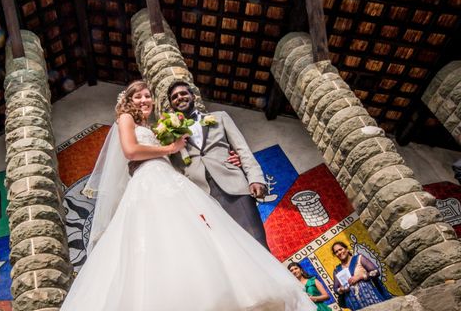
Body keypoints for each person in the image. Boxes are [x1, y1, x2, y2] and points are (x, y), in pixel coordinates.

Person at [60, 81, 315, 310]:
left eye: (147, 96)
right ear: (128, 100)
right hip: (154, 182)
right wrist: (170, 147)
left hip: (192, 181)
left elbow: (219, 151)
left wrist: (244, 169)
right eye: (137, 96)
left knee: (230, 242)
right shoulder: (126, 119)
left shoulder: (166, 126)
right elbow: (131, 151)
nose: (144, 100)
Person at [167, 80, 270, 249]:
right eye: (174, 97)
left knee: (257, 242)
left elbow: (242, 148)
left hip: (234, 187)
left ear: (193, 96)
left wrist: (255, 178)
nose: (180, 97)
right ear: (171, 104)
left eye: (183, 93)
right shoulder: (170, 136)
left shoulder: (220, 117)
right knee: (228, 250)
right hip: (202, 197)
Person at [331, 241, 392, 310]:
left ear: (346, 249)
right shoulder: (337, 271)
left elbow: (376, 272)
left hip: (371, 298)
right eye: (336, 252)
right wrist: (341, 289)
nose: (339, 252)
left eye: (340, 249)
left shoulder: (359, 259)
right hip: (355, 304)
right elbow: (336, 289)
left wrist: (361, 276)